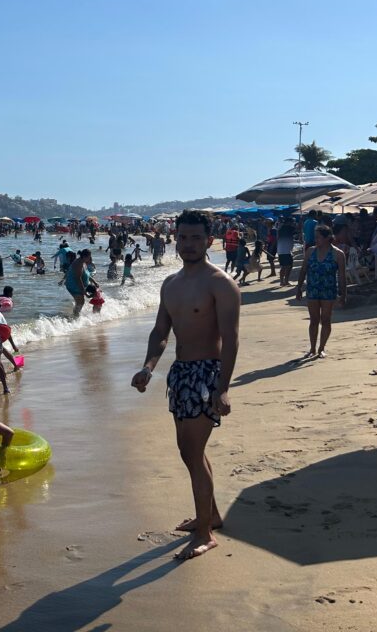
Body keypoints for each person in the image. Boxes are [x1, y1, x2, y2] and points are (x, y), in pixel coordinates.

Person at [131, 210, 240, 561]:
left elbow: (231, 340)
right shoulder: (170, 284)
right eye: (183, 237)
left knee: (192, 453)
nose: (189, 244)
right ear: (175, 239)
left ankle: (205, 533)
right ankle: (212, 515)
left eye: (196, 238)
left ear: (210, 240)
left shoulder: (220, 283)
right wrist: (148, 368)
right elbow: (161, 332)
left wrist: (223, 387)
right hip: (180, 374)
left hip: (208, 374)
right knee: (188, 451)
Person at [294, 225, 347, 359]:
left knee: (326, 320)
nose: (315, 239)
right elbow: (303, 270)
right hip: (312, 289)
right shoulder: (310, 251)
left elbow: (342, 276)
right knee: (313, 320)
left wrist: (343, 294)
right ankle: (312, 348)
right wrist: (299, 288)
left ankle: (321, 348)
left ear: (327, 238)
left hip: (328, 291)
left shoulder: (338, 254)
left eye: (318, 237)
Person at [65, 249, 93, 317]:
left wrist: (94, 282)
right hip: (73, 285)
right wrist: (83, 290)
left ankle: (75, 315)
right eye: (89, 256)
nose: (90, 258)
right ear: (84, 256)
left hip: (77, 284)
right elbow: (78, 278)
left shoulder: (83, 262)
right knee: (80, 302)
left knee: (80, 302)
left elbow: (87, 274)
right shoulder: (78, 263)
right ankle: (75, 317)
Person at [276, 217, 296, 286]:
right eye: (293, 222)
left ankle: (282, 281)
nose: (294, 223)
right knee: (289, 266)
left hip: (281, 250)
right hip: (286, 250)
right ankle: (286, 281)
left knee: (283, 266)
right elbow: (297, 230)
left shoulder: (280, 228)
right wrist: (300, 224)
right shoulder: (289, 228)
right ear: (289, 222)